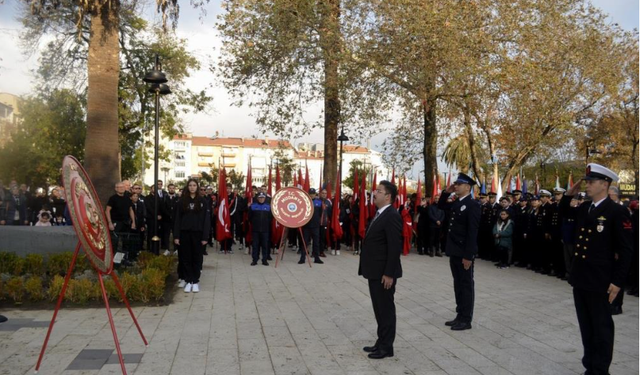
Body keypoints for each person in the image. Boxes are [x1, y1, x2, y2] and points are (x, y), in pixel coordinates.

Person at [559, 164, 632, 375]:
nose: (587, 185)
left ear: (605, 184)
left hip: (601, 280)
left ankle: (600, 369)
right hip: (581, 277)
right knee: (586, 326)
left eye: (591, 182)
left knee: (601, 328)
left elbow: (626, 251)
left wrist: (618, 282)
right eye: (587, 181)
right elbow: (564, 212)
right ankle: (590, 365)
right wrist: (568, 194)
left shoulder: (617, 211)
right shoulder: (585, 207)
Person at [359, 180, 402, 359]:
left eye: (378, 190)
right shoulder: (379, 213)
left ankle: (386, 347)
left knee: (385, 309)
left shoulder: (391, 215)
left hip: (384, 273)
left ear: (388, 196)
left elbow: (394, 247)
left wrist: (389, 273)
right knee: (379, 309)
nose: (374, 193)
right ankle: (381, 341)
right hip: (375, 270)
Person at [438, 173, 480, 331]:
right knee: (458, 284)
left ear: (468, 187)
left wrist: (468, 255)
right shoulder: (457, 203)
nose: (456, 186)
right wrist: (446, 192)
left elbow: (472, 233)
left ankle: (466, 319)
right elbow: (442, 205)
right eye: (455, 184)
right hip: (454, 250)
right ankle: (459, 314)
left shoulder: (473, 205)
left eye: (459, 184)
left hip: (464, 252)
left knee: (466, 284)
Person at [174, 179, 211, 293]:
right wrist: (176, 236)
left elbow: (206, 220)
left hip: (198, 234)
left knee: (197, 258)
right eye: (190, 185)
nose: (192, 187)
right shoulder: (182, 201)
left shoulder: (203, 201)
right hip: (184, 233)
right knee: (186, 258)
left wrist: (205, 237)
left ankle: (195, 281)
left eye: (194, 185)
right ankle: (188, 280)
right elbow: (177, 220)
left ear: (197, 187)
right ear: (187, 187)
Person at [105, 182, 136, 253]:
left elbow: (131, 210)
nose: (122, 188)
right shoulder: (112, 198)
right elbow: (107, 210)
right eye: (120, 187)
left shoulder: (128, 198)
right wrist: (110, 223)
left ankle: (124, 260)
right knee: (115, 243)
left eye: (123, 187)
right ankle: (115, 262)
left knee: (126, 242)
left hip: (126, 223)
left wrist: (133, 222)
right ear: (116, 189)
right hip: (116, 223)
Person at [299, 188, 324, 264]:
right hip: (306, 226)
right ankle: (302, 258)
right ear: (308, 194)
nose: (311, 195)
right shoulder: (304, 202)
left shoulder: (319, 202)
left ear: (315, 194)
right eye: (310, 194)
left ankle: (316, 258)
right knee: (305, 243)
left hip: (315, 226)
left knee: (316, 243)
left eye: (313, 194)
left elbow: (320, 213)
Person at [249, 192, 272, 266]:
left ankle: (264, 260)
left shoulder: (268, 207)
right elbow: (249, 217)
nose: (261, 199)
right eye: (260, 197)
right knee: (255, 245)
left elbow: (271, 218)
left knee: (265, 245)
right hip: (255, 230)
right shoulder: (253, 206)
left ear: (265, 198)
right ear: (257, 198)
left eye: (263, 197)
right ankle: (255, 260)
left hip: (265, 230)